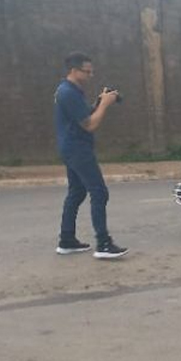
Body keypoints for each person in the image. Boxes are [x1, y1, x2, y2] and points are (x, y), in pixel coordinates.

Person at [55, 52, 129, 259]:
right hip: (78, 149)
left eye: (91, 71)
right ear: (73, 70)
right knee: (99, 192)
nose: (90, 75)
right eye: (86, 72)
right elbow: (90, 124)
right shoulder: (68, 93)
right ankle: (103, 244)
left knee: (77, 193)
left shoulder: (70, 90)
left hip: (70, 147)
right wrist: (105, 104)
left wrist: (99, 101)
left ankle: (67, 240)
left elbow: (85, 115)